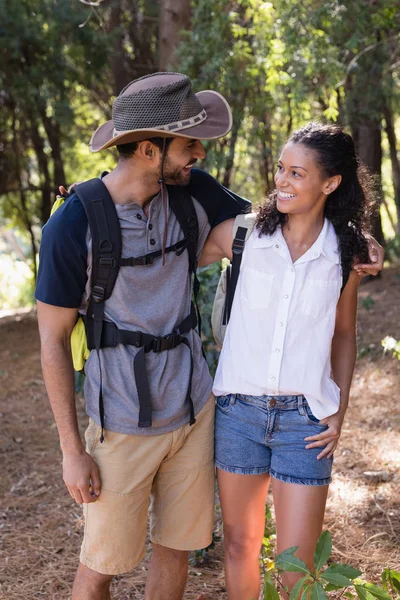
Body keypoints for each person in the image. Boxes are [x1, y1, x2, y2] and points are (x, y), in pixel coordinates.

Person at [35, 72, 251, 600]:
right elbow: (52, 342)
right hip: (122, 422)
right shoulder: (73, 225)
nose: (199, 153)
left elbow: (263, 229)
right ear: (150, 149)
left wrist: (347, 236)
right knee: (103, 563)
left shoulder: (192, 193)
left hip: (194, 409)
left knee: (176, 546)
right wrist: (71, 450)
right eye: (188, 144)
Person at [198, 123, 379, 600]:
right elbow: (166, 251)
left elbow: (343, 334)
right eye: (281, 168)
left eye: (297, 172)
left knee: (295, 566)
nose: (282, 180)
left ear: (330, 183)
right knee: (240, 545)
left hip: (306, 421)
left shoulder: (344, 254)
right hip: (238, 413)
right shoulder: (241, 236)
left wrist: (337, 410)